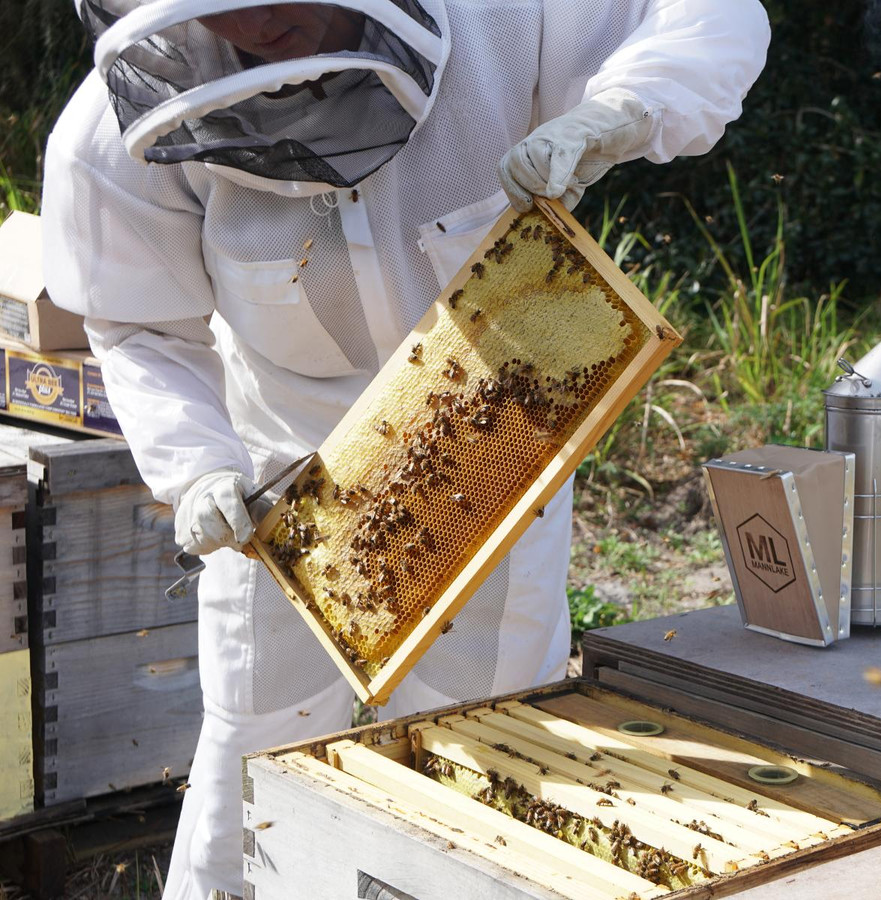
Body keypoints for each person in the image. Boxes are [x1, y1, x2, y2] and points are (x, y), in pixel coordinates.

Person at [42, 2, 770, 897]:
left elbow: (707, 16)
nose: (257, 20)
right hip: (283, 480)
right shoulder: (117, 123)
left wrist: (623, 106)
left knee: (490, 749)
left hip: (493, 453)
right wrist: (195, 463)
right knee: (252, 750)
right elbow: (141, 326)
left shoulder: (505, 17)